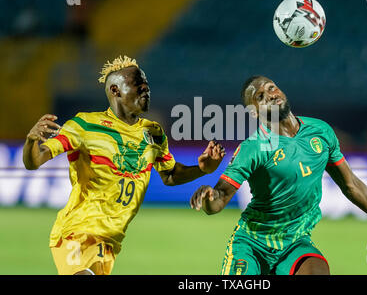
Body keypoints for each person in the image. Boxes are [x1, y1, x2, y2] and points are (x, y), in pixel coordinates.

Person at [190, 75, 367, 275]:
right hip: (252, 245)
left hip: (296, 243)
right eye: (260, 96)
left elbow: (351, 185)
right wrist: (209, 196)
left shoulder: (320, 131)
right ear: (254, 112)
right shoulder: (254, 147)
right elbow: (219, 199)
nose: (270, 94)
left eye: (272, 87)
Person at [23, 56, 225, 275]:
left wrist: (204, 169)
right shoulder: (84, 125)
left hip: (110, 241)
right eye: (138, 86)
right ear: (115, 90)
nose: (145, 90)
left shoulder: (153, 132)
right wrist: (32, 141)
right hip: (77, 232)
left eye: (146, 86)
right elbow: (35, 161)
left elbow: (170, 175)